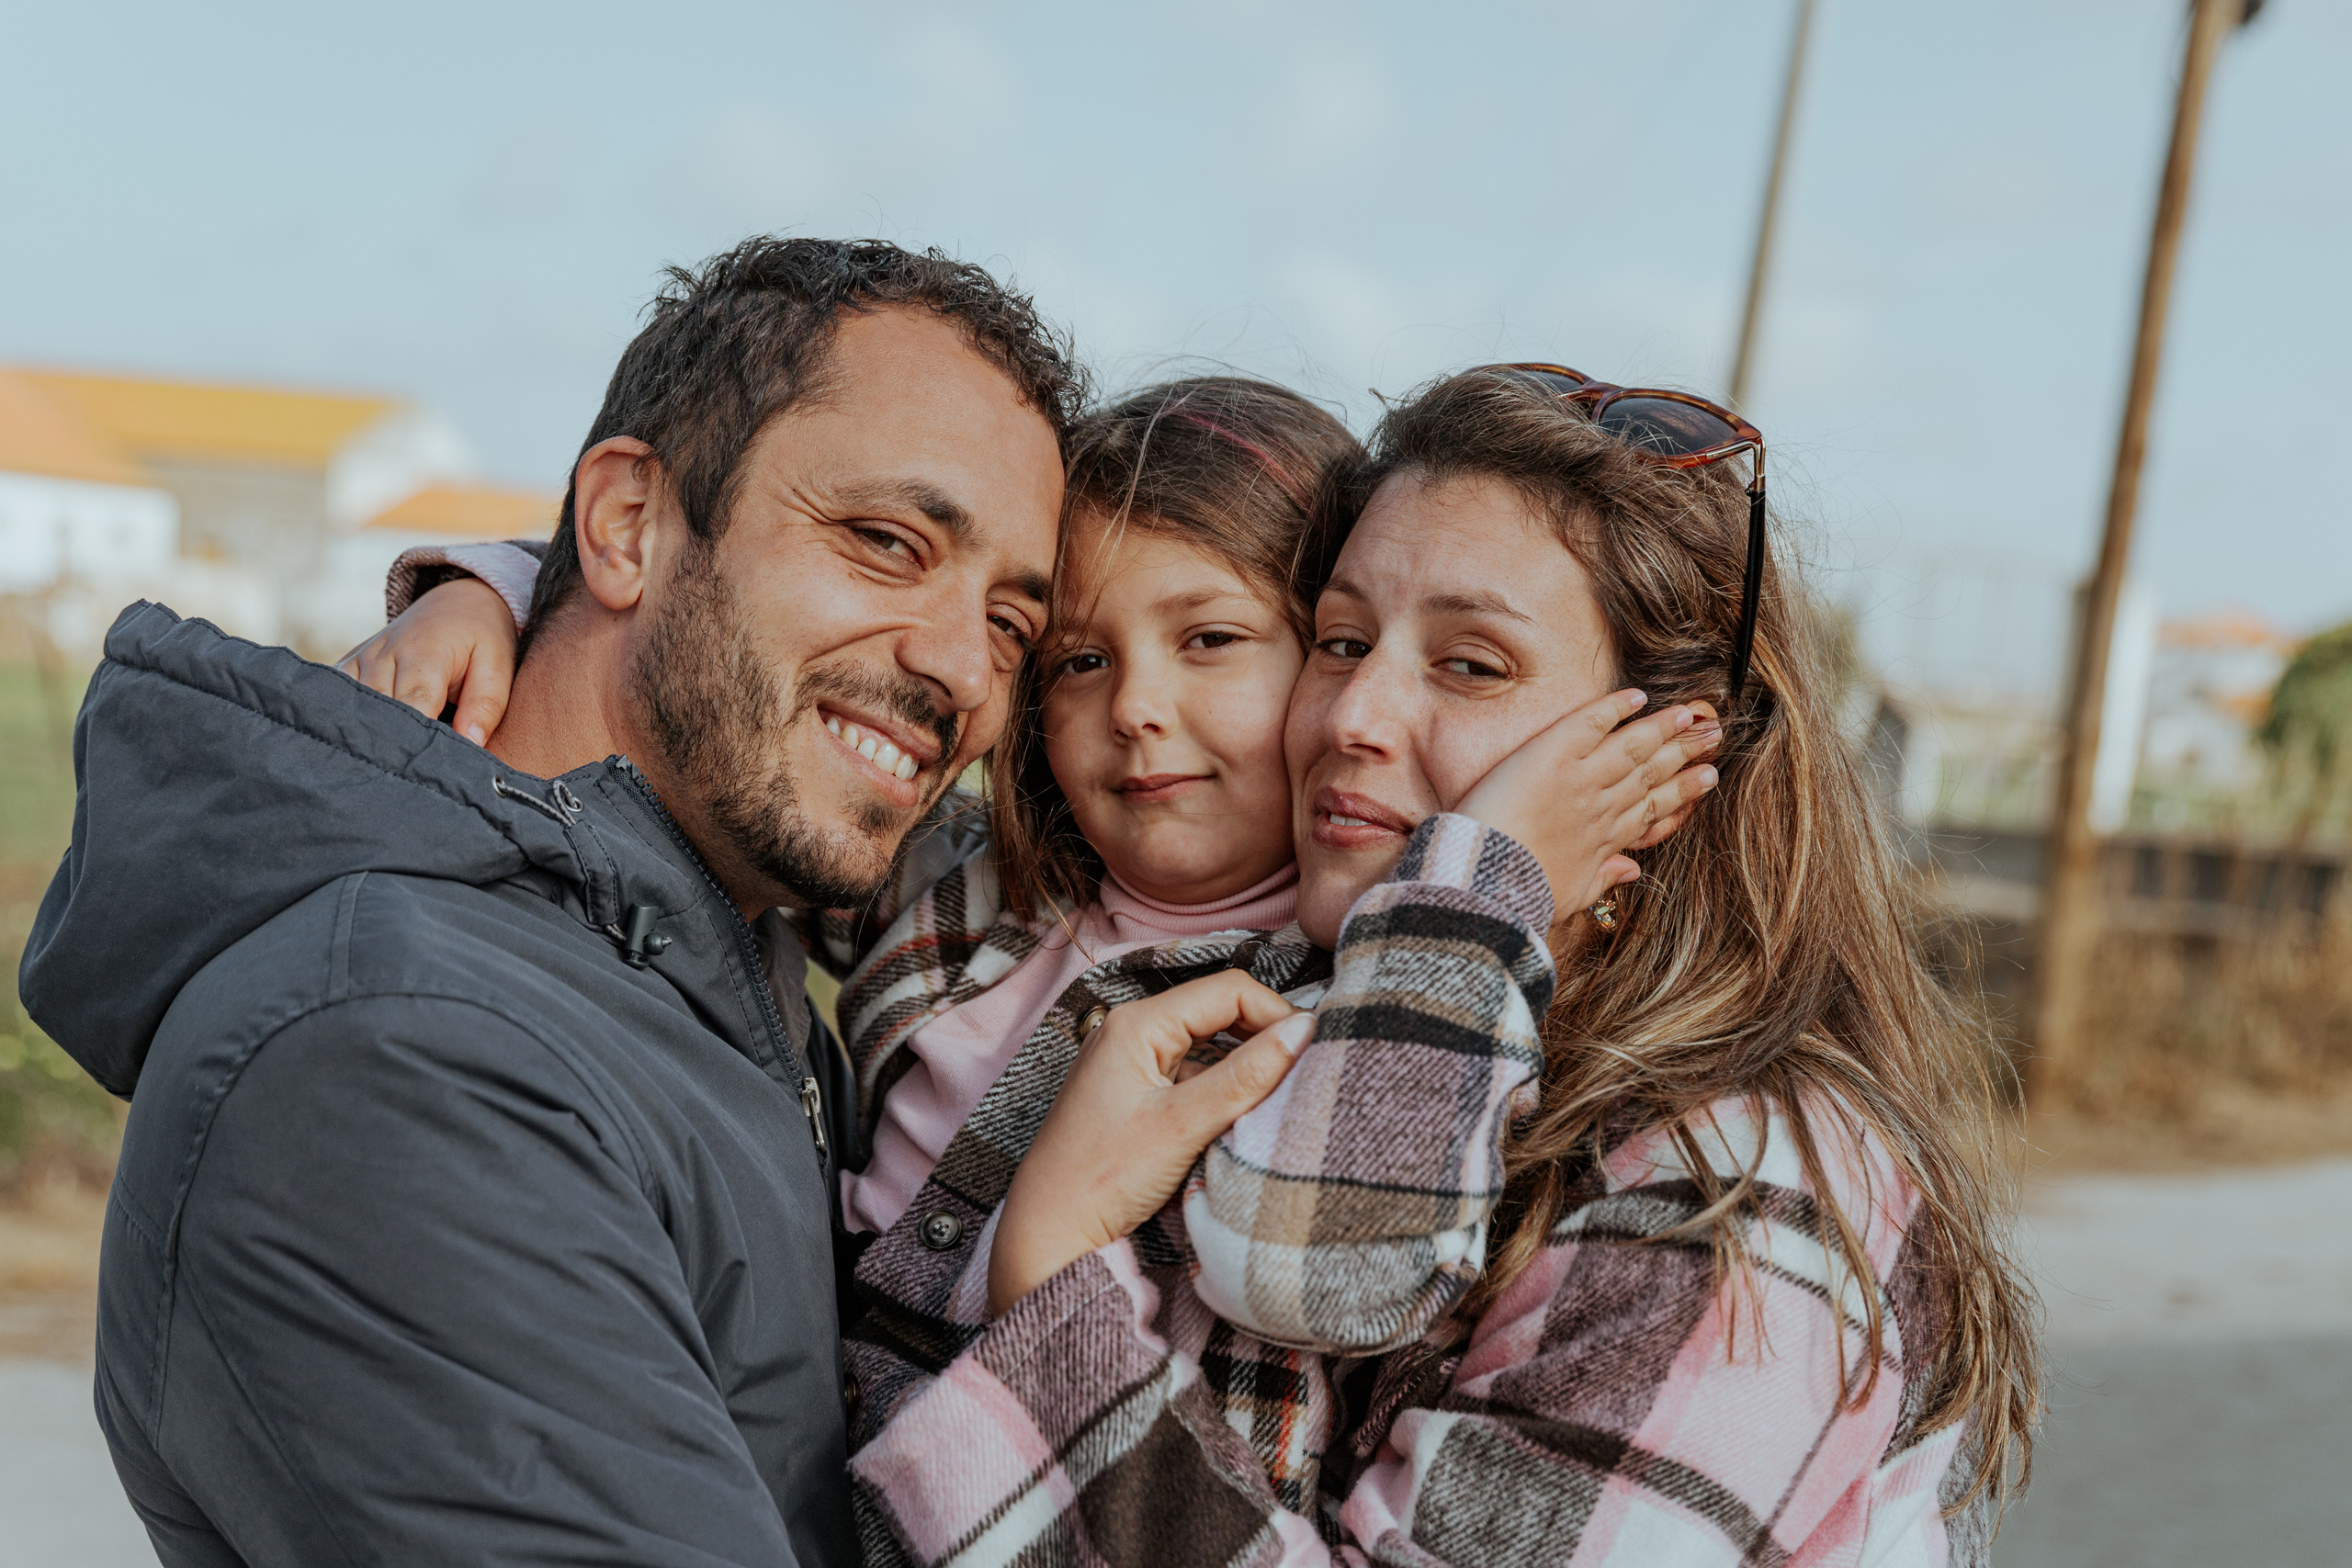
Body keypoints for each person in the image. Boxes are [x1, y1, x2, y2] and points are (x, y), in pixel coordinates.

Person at [854, 366, 2042, 1565]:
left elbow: (1298, 1275)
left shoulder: (1737, 1185)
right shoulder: (1335, 1016)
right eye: (1341, 639)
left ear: (1680, 745)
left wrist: (1052, 1265)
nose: (1349, 718)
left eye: (1471, 665)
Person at [17, 235, 1083, 1567]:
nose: (957, 671)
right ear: (627, 522)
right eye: (884, 542)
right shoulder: (396, 1053)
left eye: (1011, 626)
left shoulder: (703, 962)